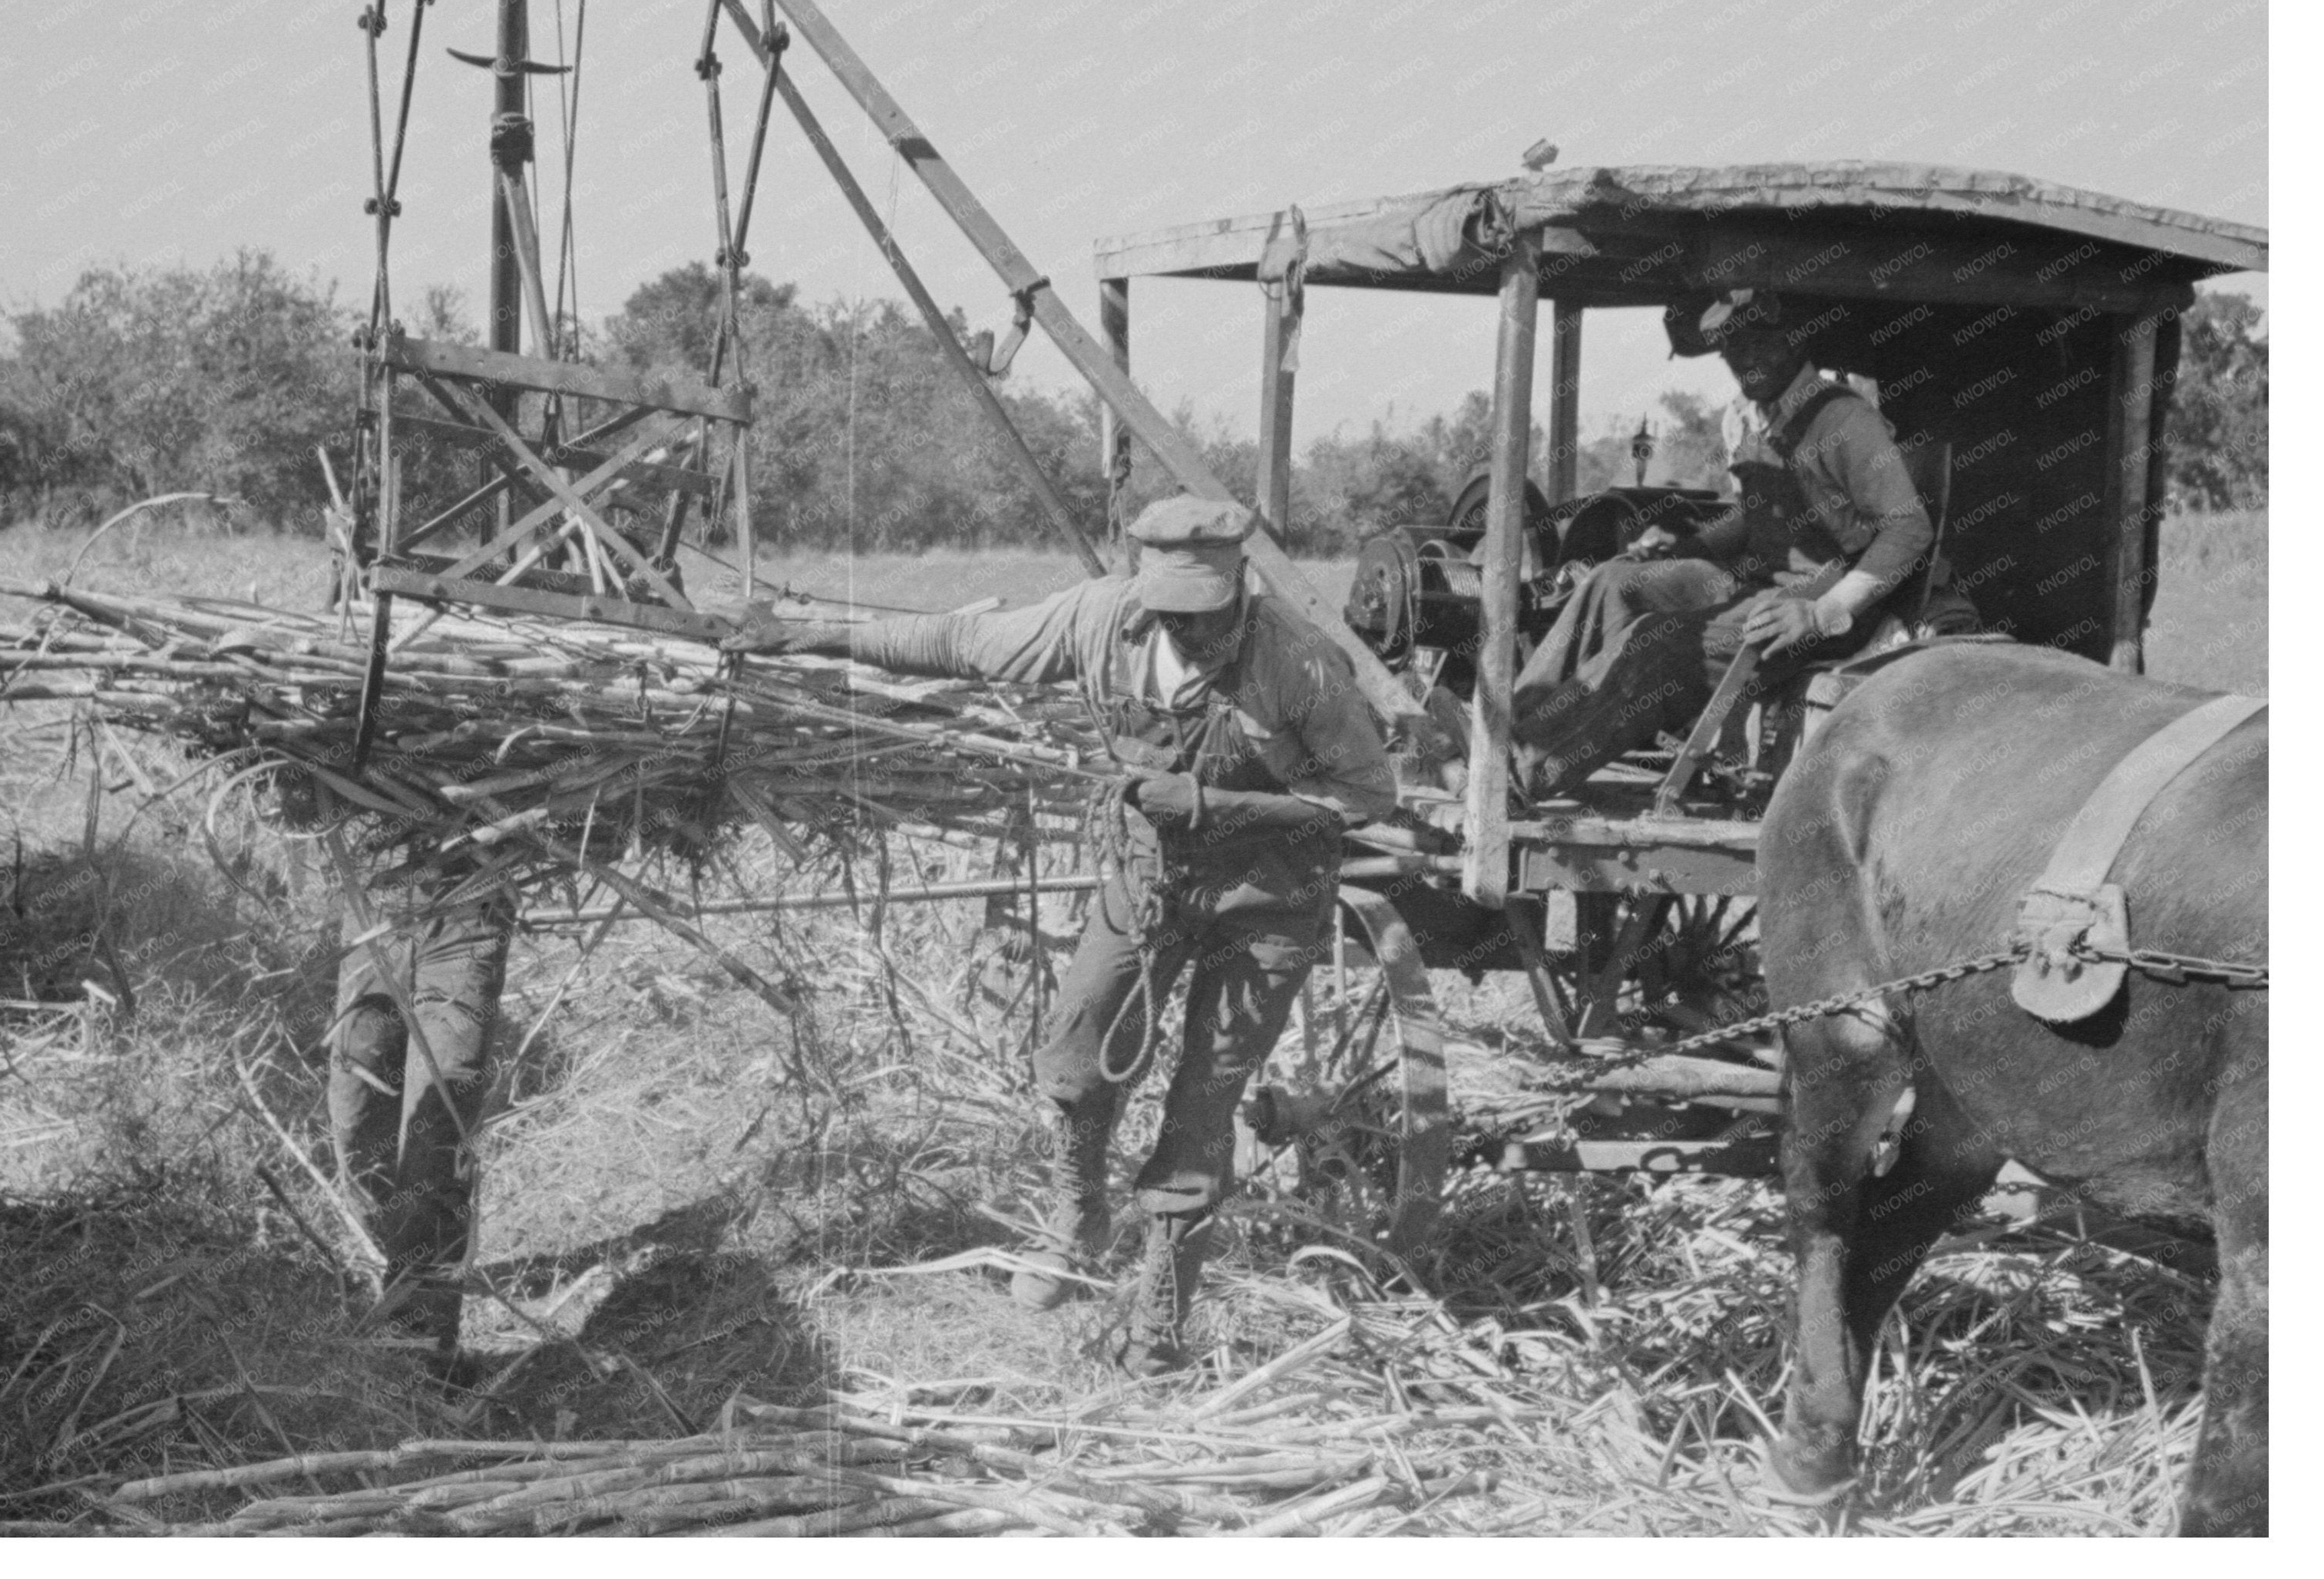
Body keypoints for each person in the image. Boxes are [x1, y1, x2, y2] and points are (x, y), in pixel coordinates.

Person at [733, 495, 1397, 1372]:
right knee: (1075, 1053)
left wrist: (1214, 802)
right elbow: (961, 644)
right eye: (1170, 610)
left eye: (1205, 612)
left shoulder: (1297, 660)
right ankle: (1077, 1216)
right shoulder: (1100, 620)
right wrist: (809, 635)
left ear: (1241, 582)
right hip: (1153, 881)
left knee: (1201, 1108)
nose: (1188, 630)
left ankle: (1160, 1321)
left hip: (1270, 899)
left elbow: (1368, 797)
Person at [1509, 289, 1979, 802]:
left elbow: (1908, 528)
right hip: (1754, 585)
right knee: (1613, 580)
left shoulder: (1844, 421)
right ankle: (1508, 730)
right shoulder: (1752, 416)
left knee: (1660, 645)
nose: (1743, 357)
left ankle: (1522, 773)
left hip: (1817, 603)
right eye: (1732, 344)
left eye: (1760, 341)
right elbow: (1752, 515)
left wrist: (1822, 613)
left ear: (1795, 340)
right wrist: (1685, 545)